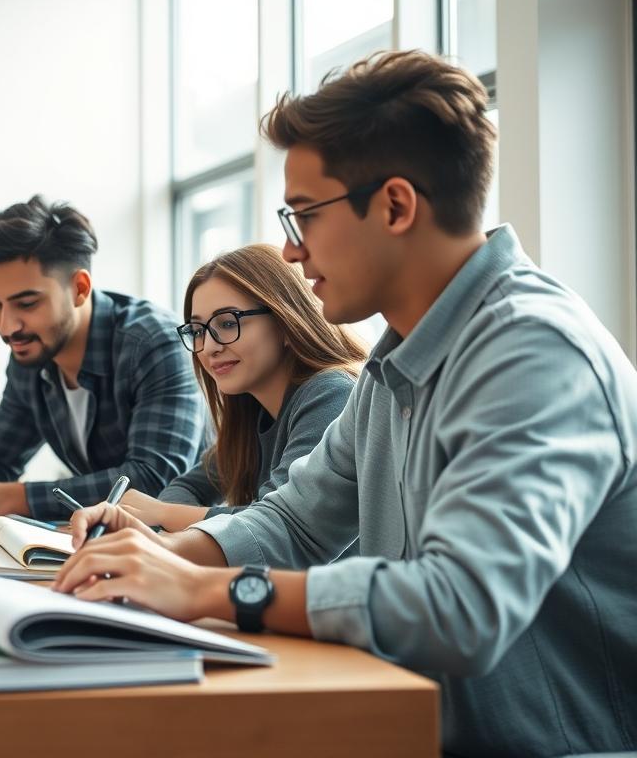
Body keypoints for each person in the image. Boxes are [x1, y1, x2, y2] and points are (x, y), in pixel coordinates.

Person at [55, 50, 637, 756]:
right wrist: (160, 558)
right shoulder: (398, 362)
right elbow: (295, 522)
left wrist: (208, 590)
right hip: (415, 723)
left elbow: (460, 606)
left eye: (304, 216)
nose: (290, 252)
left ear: (395, 205)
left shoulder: (532, 352)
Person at [0, 195, 206, 520]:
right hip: (104, 537)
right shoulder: (31, 354)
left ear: (79, 288)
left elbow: (153, 481)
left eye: (27, 304)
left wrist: (10, 498)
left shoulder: (153, 343)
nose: (7, 327)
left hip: (190, 540)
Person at [119, 244, 364, 532]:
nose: (208, 347)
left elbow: (280, 523)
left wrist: (163, 513)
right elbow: (186, 487)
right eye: (198, 331)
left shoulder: (332, 393)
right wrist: (166, 513)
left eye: (227, 323)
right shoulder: (252, 411)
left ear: (286, 322)